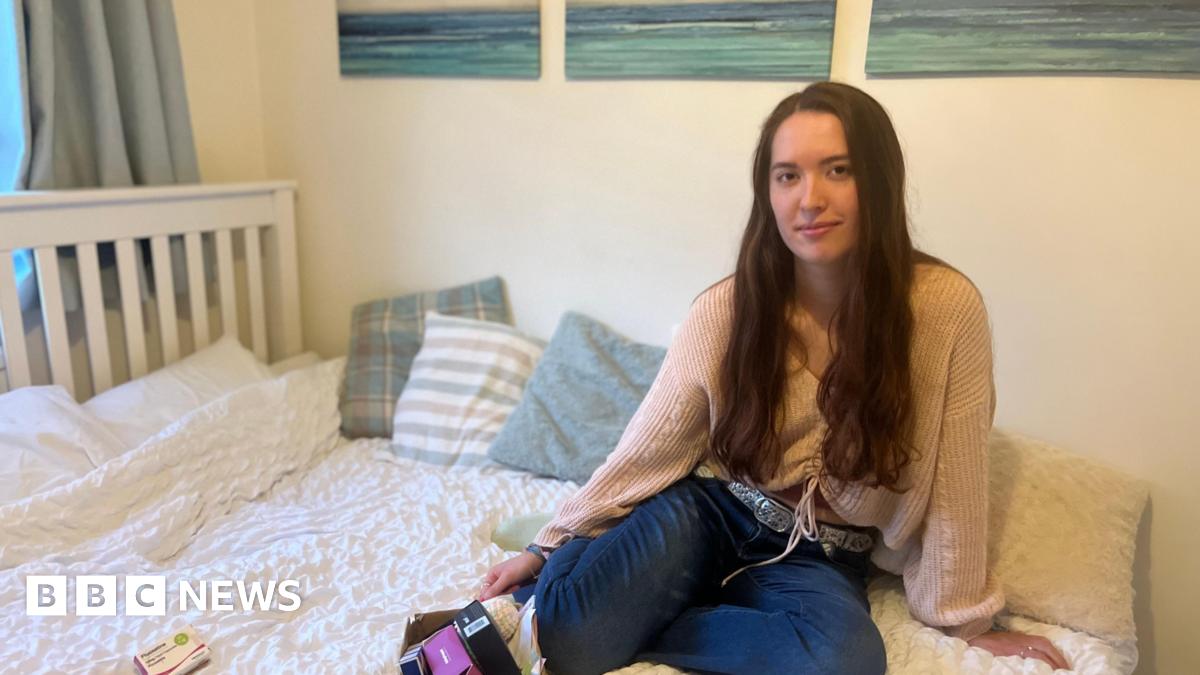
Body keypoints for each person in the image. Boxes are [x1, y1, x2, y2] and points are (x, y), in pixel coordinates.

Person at [479, 81, 1069, 675]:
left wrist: (965, 621)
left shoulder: (946, 310)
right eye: (788, 176)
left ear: (880, 180)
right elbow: (645, 452)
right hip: (707, 512)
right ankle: (597, 582)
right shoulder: (726, 309)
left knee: (843, 662)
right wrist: (549, 544)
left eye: (837, 170)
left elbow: (958, 476)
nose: (810, 198)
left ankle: (646, 612)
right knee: (568, 636)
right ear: (768, 193)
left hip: (821, 559)